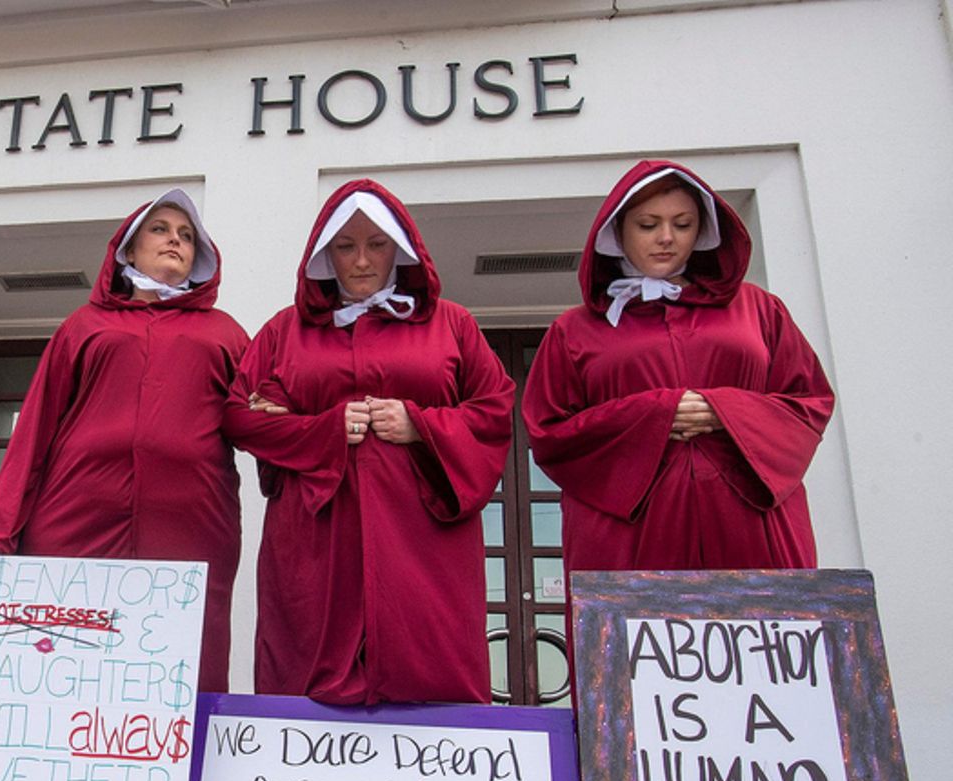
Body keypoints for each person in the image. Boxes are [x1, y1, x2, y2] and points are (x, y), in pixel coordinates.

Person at [223, 179, 514, 705]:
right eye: (345, 246)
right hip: (316, 533)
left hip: (423, 534)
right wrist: (321, 429)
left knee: (429, 672)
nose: (361, 261)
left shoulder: (452, 324)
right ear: (324, 254)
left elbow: (494, 408)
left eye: (377, 245)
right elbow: (239, 415)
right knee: (303, 676)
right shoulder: (284, 331)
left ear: (399, 250)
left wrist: (419, 424)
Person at [0, 189, 247, 692]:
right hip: (76, 515)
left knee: (181, 659)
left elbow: (255, 415)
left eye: (187, 236)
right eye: (160, 230)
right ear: (129, 250)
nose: (175, 241)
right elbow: (36, 423)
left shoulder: (225, 333)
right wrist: (0, 525)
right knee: (64, 653)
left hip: (191, 521)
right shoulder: (84, 325)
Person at [521, 160, 834, 573]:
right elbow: (549, 431)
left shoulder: (759, 309)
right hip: (630, 532)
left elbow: (809, 402)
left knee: (760, 611)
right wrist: (655, 414)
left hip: (751, 522)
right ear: (617, 232)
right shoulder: (574, 330)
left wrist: (725, 412)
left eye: (683, 224)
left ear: (702, 230)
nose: (666, 238)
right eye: (648, 225)